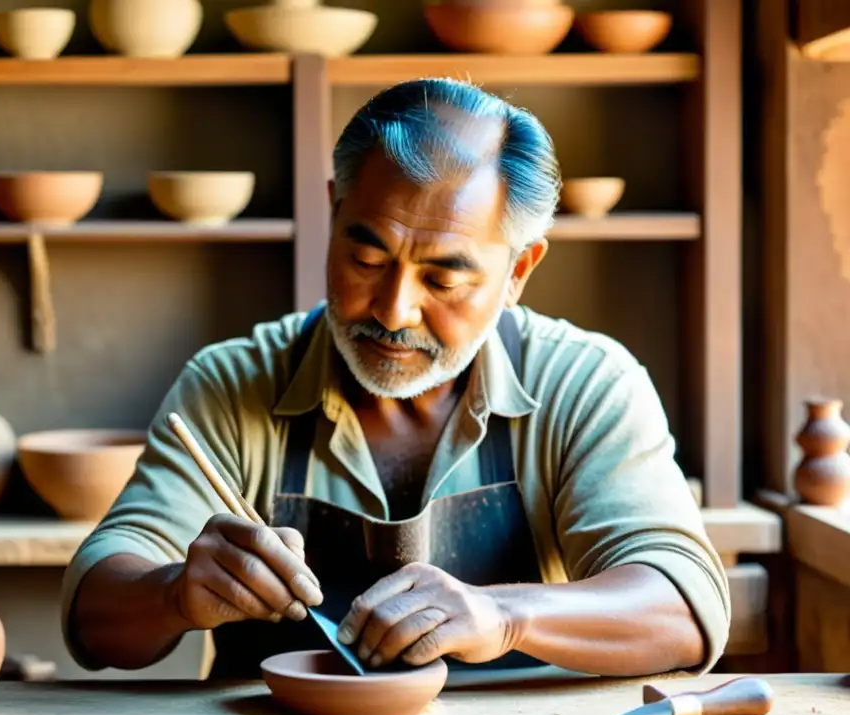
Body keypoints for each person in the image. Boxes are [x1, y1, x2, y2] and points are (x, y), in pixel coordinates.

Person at [60, 78, 731, 681]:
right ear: (333, 210)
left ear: (518, 271)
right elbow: (95, 616)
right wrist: (177, 592)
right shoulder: (233, 383)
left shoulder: (584, 384)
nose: (392, 310)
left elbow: (684, 605)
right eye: (366, 256)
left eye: (443, 277)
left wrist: (503, 616)